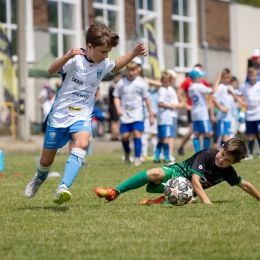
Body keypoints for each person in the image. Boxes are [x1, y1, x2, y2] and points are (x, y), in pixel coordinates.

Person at [24, 24, 148, 204]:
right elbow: (51, 70)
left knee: (82, 143)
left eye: (108, 52)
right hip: (59, 116)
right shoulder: (75, 59)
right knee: (46, 160)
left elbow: (115, 66)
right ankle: (39, 178)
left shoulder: (103, 63)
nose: (106, 56)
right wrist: (68, 55)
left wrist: (134, 53)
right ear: (89, 47)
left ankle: (63, 187)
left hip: (81, 114)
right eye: (103, 52)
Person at [94, 138, 260, 205]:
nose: (221, 160)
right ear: (221, 147)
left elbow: (244, 185)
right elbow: (195, 180)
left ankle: (156, 201)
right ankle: (115, 191)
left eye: (227, 161)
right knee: (154, 173)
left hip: (183, 191)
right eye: (222, 154)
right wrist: (207, 202)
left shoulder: (227, 172)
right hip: (175, 173)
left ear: (234, 163)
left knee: (188, 201)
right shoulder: (208, 154)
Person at [113, 61, 154, 166]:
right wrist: (118, 108)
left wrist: (151, 114)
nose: (131, 73)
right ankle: (127, 153)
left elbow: (147, 99)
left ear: (137, 70)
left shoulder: (141, 83)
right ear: (126, 71)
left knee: (137, 133)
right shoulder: (121, 82)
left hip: (137, 113)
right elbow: (116, 96)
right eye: (129, 70)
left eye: (133, 70)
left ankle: (137, 158)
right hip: (125, 114)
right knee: (125, 136)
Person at [177, 64, 210, 156]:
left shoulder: (201, 81)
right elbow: (179, 92)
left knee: (198, 132)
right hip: (193, 109)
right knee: (194, 130)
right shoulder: (188, 81)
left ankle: (199, 152)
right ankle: (182, 146)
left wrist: (209, 102)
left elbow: (209, 92)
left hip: (200, 109)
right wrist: (185, 104)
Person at [154, 71, 183, 163]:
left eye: (168, 82)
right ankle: (166, 156)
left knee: (162, 138)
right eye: (165, 82)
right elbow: (160, 103)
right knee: (166, 137)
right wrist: (172, 106)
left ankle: (157, 157)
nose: (167, 83)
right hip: (165, 118)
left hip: (165, 118)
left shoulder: (165, 89)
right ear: (162, 81)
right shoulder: (163, 90)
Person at [188, 67, 217, 152]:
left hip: (194, 112)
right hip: (202, 113)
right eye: (200, 76)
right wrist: (218, 79)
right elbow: (212, 91)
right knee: (208, 133)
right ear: (196, 77)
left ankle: (197, 152)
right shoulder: (199, 86)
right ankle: (204, 153)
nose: (201, 78)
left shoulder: (190, 87)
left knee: (196, 133)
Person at [212, 69, 244, 146]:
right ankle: (221, 152)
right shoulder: (220, 87)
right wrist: (221, 107)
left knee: (228, 134)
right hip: (222, 116)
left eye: (228, 78)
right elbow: (213, 98)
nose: (227, 79)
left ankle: (224, 152)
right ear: (222, 77)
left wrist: (232, 93)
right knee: (223, 135)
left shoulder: (230, 87)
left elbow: (236, 100)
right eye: (225, 78)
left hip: (229, 116)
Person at [237, 67, 260, 159]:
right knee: (250, 134)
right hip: (249, 115)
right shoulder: (244, 86)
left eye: (254, 75)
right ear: (248, 76)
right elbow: (238, 95)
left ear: (257, 76)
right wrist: (242, 103)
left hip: (258, 114)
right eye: (251, 75)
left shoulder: (259, 85)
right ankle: (249, 153)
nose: (252, 77)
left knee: (259, 132)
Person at [167, 69, 180, 162]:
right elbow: (171, 104)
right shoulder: (169, 89)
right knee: (171, 136)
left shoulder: (170, 89)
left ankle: (169, 153)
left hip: (172, 115)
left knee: (171, 135)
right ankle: (170, 154)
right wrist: (180, 105)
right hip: (171, 115)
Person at [108, 72, 123, 141]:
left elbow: (108, 98)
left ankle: (113, 135)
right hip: (116, 106)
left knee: (113, 121)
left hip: (111, 105)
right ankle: (115, 135)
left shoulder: (111, 87)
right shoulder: (117, 88)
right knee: (116, 121)